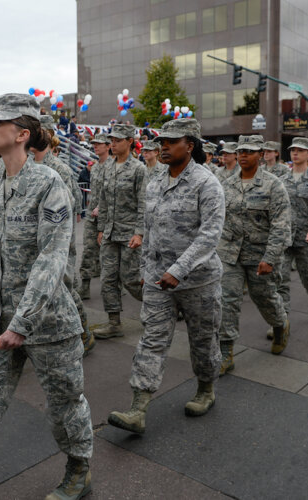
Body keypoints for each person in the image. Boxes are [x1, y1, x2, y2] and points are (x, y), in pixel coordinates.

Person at [0, 93, 93, 500]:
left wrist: (22, 323)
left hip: (47, 322)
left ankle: (79, 467)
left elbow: (51, 259)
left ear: (23, 134)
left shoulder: (49, 184)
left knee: (64, 404)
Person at [108, 118, 224, 435]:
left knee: (203, 343)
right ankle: (138, 407)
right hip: (159, 281)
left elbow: (210, 235)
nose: (164, 147)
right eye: (161, 142)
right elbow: (150, 229)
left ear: (190, 145)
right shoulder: (156, 180)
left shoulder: (207, 183)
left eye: (171, 142)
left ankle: (205, 389)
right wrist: (148, 270)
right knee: (152, 341)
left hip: (199, 281)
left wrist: (179, 270)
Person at [218, 135, 292, 372]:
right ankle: (225, 351)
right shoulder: (226, 184)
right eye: (240, 151)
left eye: (249, 151)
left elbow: (281, 225)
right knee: (226, 301)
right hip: (229, 254)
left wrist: (270, 258)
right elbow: (218, 218)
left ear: (261, 154)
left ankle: (280, 324)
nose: (242, 155)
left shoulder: (273, 185)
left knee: (265, 298)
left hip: (260, 255)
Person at [34, 114, 94, 355]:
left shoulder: (59, 169)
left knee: (64, 288)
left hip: (59, 239)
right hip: (39, 238)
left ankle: (84, 334)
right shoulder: (31, 166)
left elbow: (74, 203)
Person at [93, 123, 146, 338]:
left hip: (129, 232)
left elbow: (143, 203)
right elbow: (103, 201)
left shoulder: (138, 169)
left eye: (117, 140)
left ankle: (160, 305)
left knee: (131, 278)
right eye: (111, 141)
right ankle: (114, 322)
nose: (112, 144)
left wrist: (139, 232)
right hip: (110, 232)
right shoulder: (107, 167)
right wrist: (101, 228)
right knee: (107, 278)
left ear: (130, 142)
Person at [275, 137, 308, 330]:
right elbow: (277, 208)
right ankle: (281, 321)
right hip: (285, 238)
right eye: (292, 150)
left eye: (300, 150)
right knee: (280, 280)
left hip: (307, 238)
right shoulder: (282, 180)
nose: (295, 153)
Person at [79, 133, 111, 300]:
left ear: (108, 146)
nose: (95, 146)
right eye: (94, 144)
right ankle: (84, 286)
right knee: (88, 251)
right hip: (93, 216)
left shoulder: (114, 166)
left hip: (110, 217)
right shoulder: (96, 167)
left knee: (110, 255)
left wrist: (102, 207)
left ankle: (115, 287)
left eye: (99, 144)